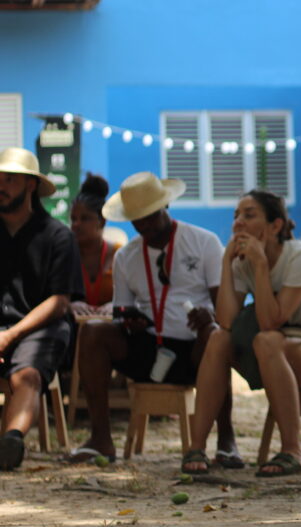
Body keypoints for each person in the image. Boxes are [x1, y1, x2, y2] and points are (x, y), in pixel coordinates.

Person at [182, 189, 301, 477]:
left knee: (267, 339)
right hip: (276, 352)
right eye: (236, 216)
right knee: (218, 338)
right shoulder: (241, 262)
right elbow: (225, 321)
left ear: (275, 226)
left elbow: (272, 321)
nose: (238, 223)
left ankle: (293, 450)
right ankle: (196, 446)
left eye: (249, 216)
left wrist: (261, 265)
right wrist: (226, 263)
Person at [69, 172, 235, 464]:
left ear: (165, 207)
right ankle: (100, 439)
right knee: (93, 332)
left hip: (195, 349)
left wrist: (209, 315)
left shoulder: (204, 242)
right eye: (135, 218)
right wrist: (129, 321)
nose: (142, 224)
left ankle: (226, 440)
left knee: (216, 336)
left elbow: (225, 308)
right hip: (149, 348)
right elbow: (121, 311)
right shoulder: (127, 257)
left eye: (148, 216)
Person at [0, 147, 81, 471]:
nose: (1, 186)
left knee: (28, 374)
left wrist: (9, 336)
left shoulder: (58, 236)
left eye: (9, 180)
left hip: (39, 327)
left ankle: (11, 441)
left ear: (31, 185)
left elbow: (59, 301)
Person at [69, 173, 120, 317]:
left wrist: (117, 305)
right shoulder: (64, 254)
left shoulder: (120, 254)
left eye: (85, 218)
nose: (76, 225)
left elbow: (136, 297)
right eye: (73, 219)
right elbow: (49, 296)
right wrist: (67, 304)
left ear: (102, 221)